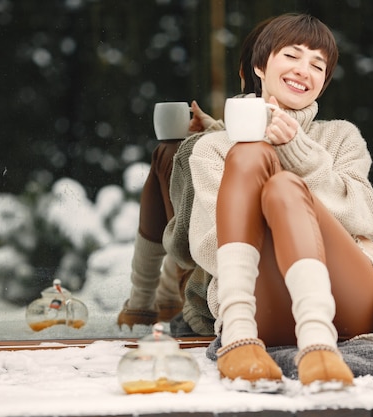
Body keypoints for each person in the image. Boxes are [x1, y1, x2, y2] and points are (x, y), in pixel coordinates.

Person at [184, 13, 373, 388]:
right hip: (263, 304)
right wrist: (354, 239)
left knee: (286, 186)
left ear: (323, 82)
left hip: (348, 305)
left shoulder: (339, 137)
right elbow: (209, 249)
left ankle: (317, 342)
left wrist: (298, 153)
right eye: (292, 55)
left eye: (318, 64)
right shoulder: (212, 150)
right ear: (260, 64)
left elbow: (371, 216)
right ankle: (241, 337)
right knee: (251, 157)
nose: (304, 70)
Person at [116, 19, 271, 330]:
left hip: (219, 285)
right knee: (175, 153)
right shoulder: (311, 133)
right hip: (253, 278)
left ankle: (146, 297)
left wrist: (204, 141)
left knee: (169, 153)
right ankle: (156, 293)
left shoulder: (272, 132)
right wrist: (214, 130)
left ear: (244, 72)